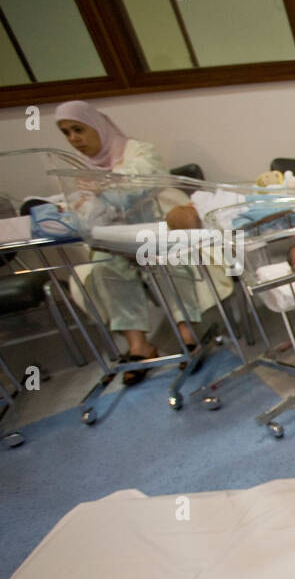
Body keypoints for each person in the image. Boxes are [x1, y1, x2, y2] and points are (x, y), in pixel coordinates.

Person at [56, 101, 204, 385]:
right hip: (112, 239)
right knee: (105, 267)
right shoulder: (77, 169)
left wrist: (103, 187)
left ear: (96, 125)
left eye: (79, 129)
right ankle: (139, 347)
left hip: (160, 227)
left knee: (169, 261)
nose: (74, 138)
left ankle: (188, 336)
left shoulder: (139, 152)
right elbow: (85, 209)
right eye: (66, 132)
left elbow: (142, 187)